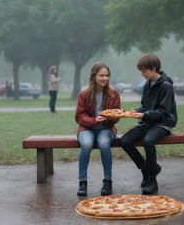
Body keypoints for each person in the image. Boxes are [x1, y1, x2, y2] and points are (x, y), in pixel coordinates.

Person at [120, 54, 177, 195]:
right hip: (149, 121)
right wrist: (134, 111)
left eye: (144, 71)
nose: (142, 74)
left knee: (148, 141)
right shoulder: (147, 84)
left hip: (164, 122)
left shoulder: (166, 85)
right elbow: (145, 106)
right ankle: (147, 169)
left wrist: (144, 115)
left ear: (153, 69)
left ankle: (152, 180)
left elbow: (164, 111)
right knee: (124, 141)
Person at [75, 62, 121, 196]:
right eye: (101, 75)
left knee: (104, 144)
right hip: (87, 128)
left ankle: (107, 181)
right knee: (87, 144)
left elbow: (117, 115)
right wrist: (94, 120)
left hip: (106, 128)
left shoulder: (113, 94)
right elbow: (79, 116)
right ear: (94, 76)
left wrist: (112, 117)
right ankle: (82, 182)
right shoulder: (84, 94)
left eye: (107, 75)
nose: (105, 78)